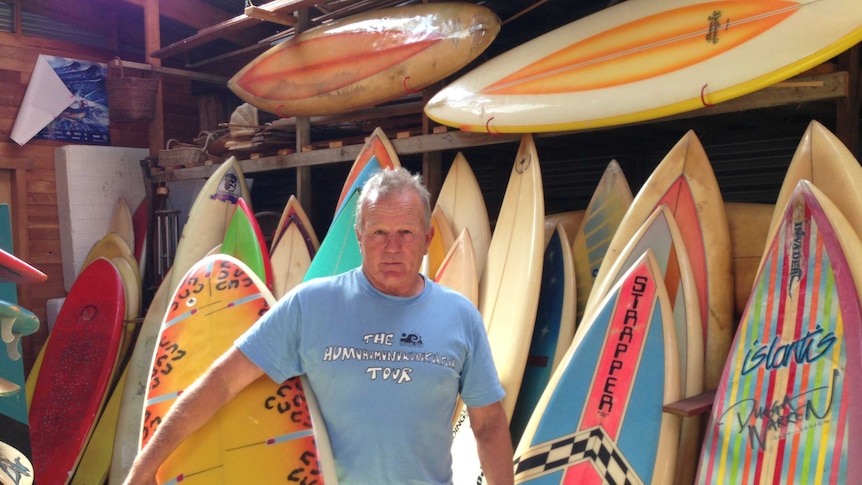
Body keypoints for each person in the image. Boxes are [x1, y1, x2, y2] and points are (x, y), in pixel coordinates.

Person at [124, 167, 514, 485]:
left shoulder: (459, 317)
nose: (392, 247)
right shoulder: (311, 306)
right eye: (379, 232)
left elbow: (489, 424)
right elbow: (220, 382)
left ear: (427, 239)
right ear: (360, 238)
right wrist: (141, 472)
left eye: (406, 233)